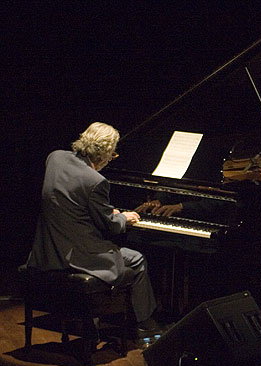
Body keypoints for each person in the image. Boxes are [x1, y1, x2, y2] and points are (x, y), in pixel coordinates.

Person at [25, 122, 160, 336]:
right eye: (113, 154)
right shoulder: (96, 181)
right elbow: (112, 227)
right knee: (137, 260)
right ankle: (144, 323)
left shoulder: (55, 158)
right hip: (77, 256)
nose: (112, 158)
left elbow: (72, 202)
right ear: (105, 153)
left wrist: (105, 212)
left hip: (49, 250)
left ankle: (94, 317)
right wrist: (123, 217)